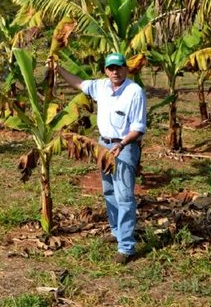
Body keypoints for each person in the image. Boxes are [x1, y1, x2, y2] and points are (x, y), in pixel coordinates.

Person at [54, 52, 147, 264]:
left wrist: (121, 144)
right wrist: (58, 69)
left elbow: (139, 128)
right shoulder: (101, 87)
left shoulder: (134, 92)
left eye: (119, 67)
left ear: (126, 68)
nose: (115, 72)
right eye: (111, 68)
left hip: (125, 146)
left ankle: (126, 247)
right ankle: (116, 232)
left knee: (124, 195)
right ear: (106, 70)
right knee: (109, 190)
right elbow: (78, 83)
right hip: (103, 145)